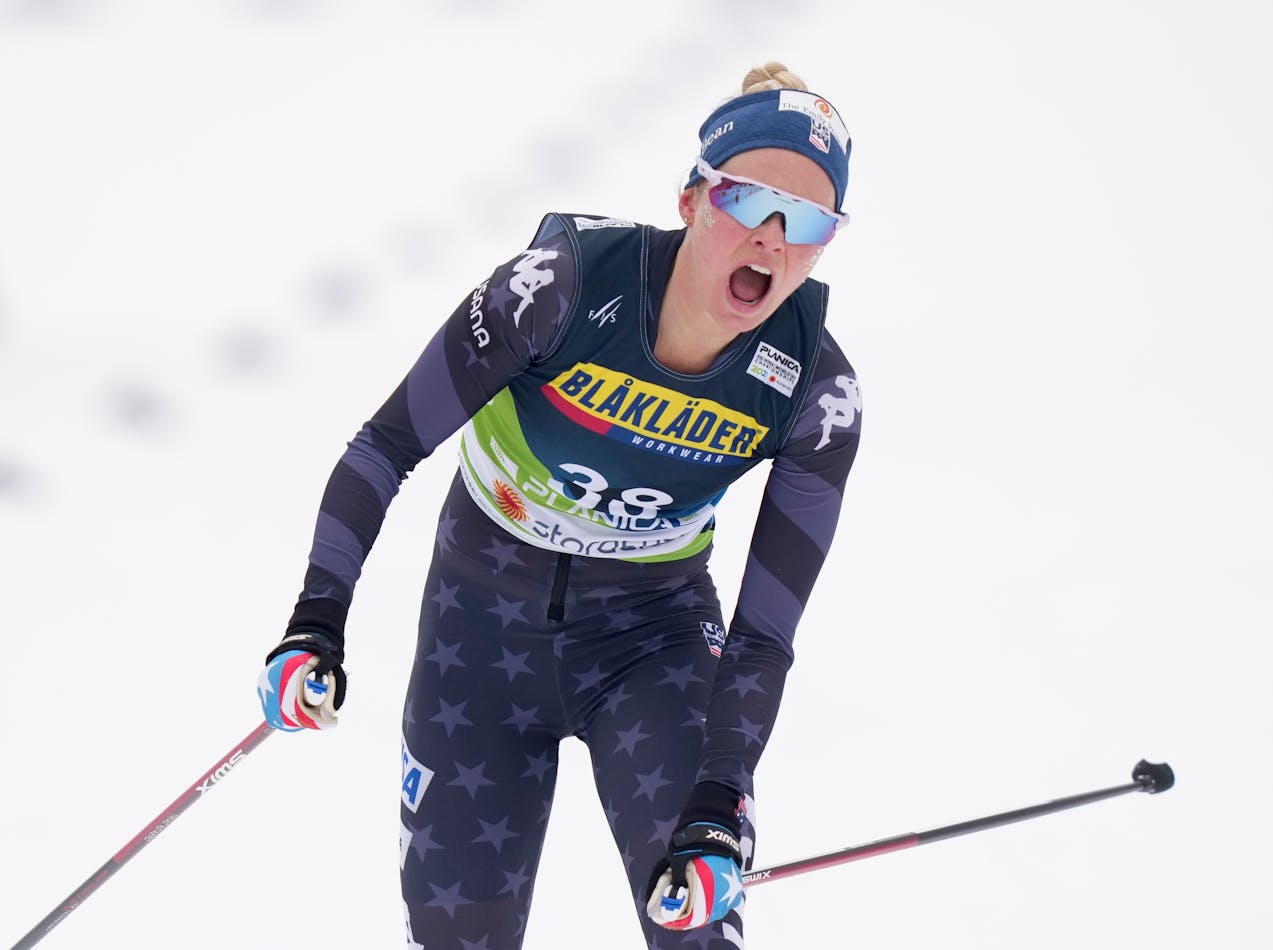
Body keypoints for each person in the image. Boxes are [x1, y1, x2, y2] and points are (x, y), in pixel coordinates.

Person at [257, 61, 862, 949]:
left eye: (805, 220)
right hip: (479, 633)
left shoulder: (816, 390)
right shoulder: (559, 290)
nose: (770, 239)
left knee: (698, 929)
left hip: (651, 644)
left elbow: (765, 636)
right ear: (693, 198)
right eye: (747, 201)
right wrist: (316, 620)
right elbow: (384, 448)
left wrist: (718, 802)